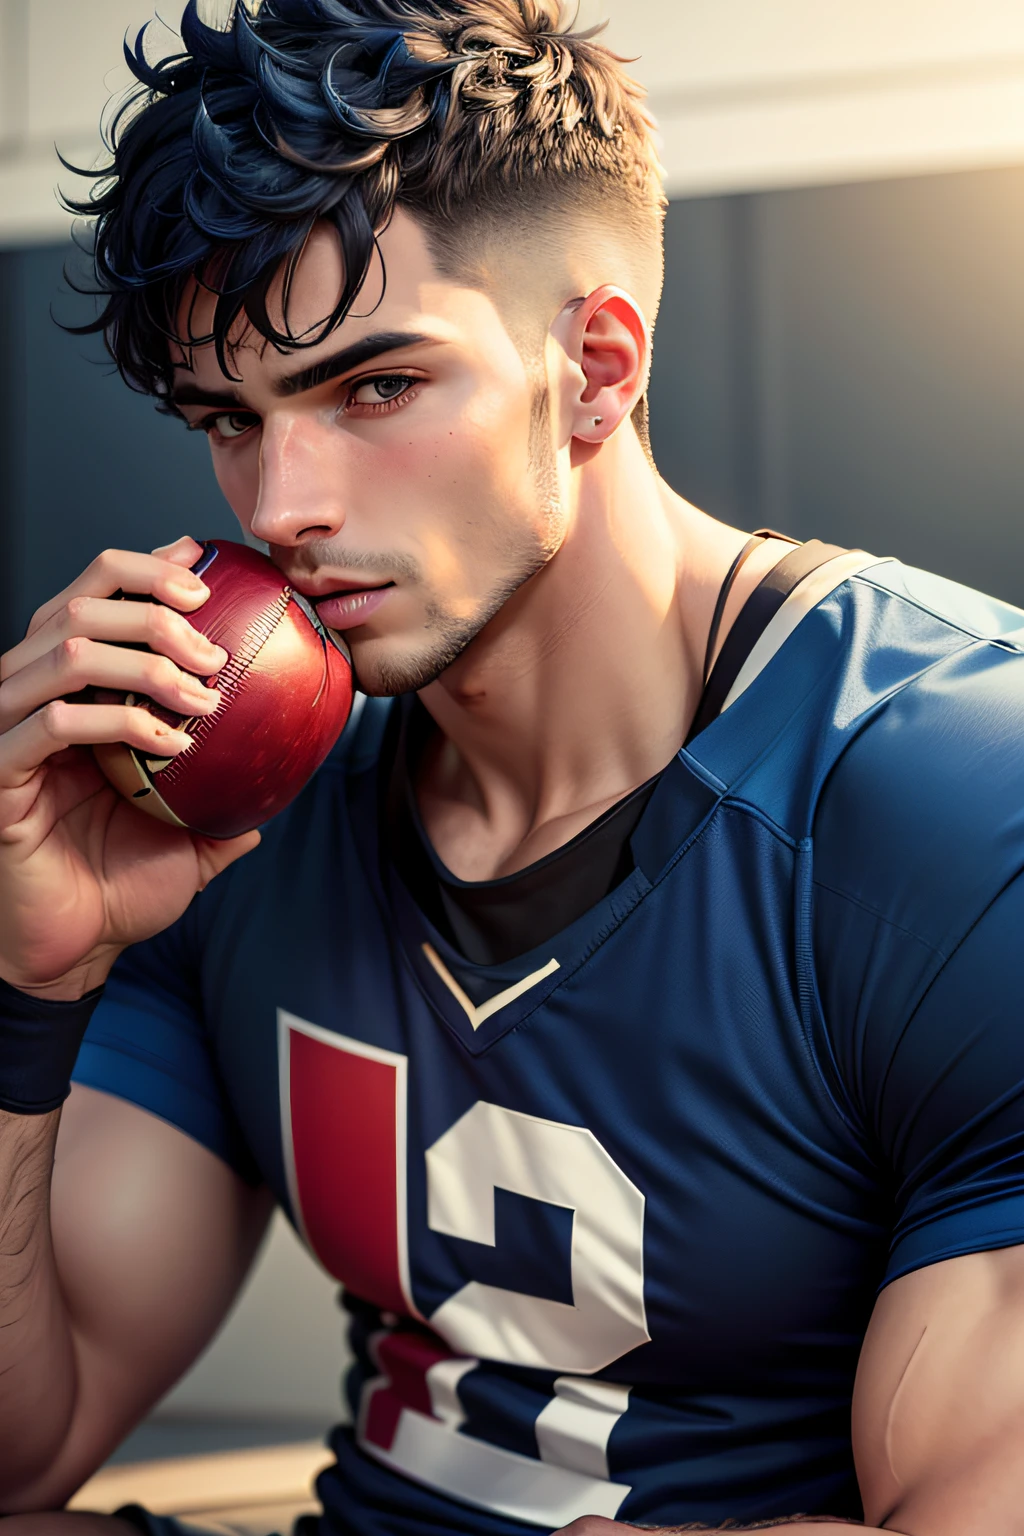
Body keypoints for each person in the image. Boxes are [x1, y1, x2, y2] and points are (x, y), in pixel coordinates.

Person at [0, 1, 1023, 1533]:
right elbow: (26, 1446)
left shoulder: (950, 789)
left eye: (375, 389)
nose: (280, 504)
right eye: (230, 418)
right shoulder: (215, 822)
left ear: (596, 367)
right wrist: (28, 981)